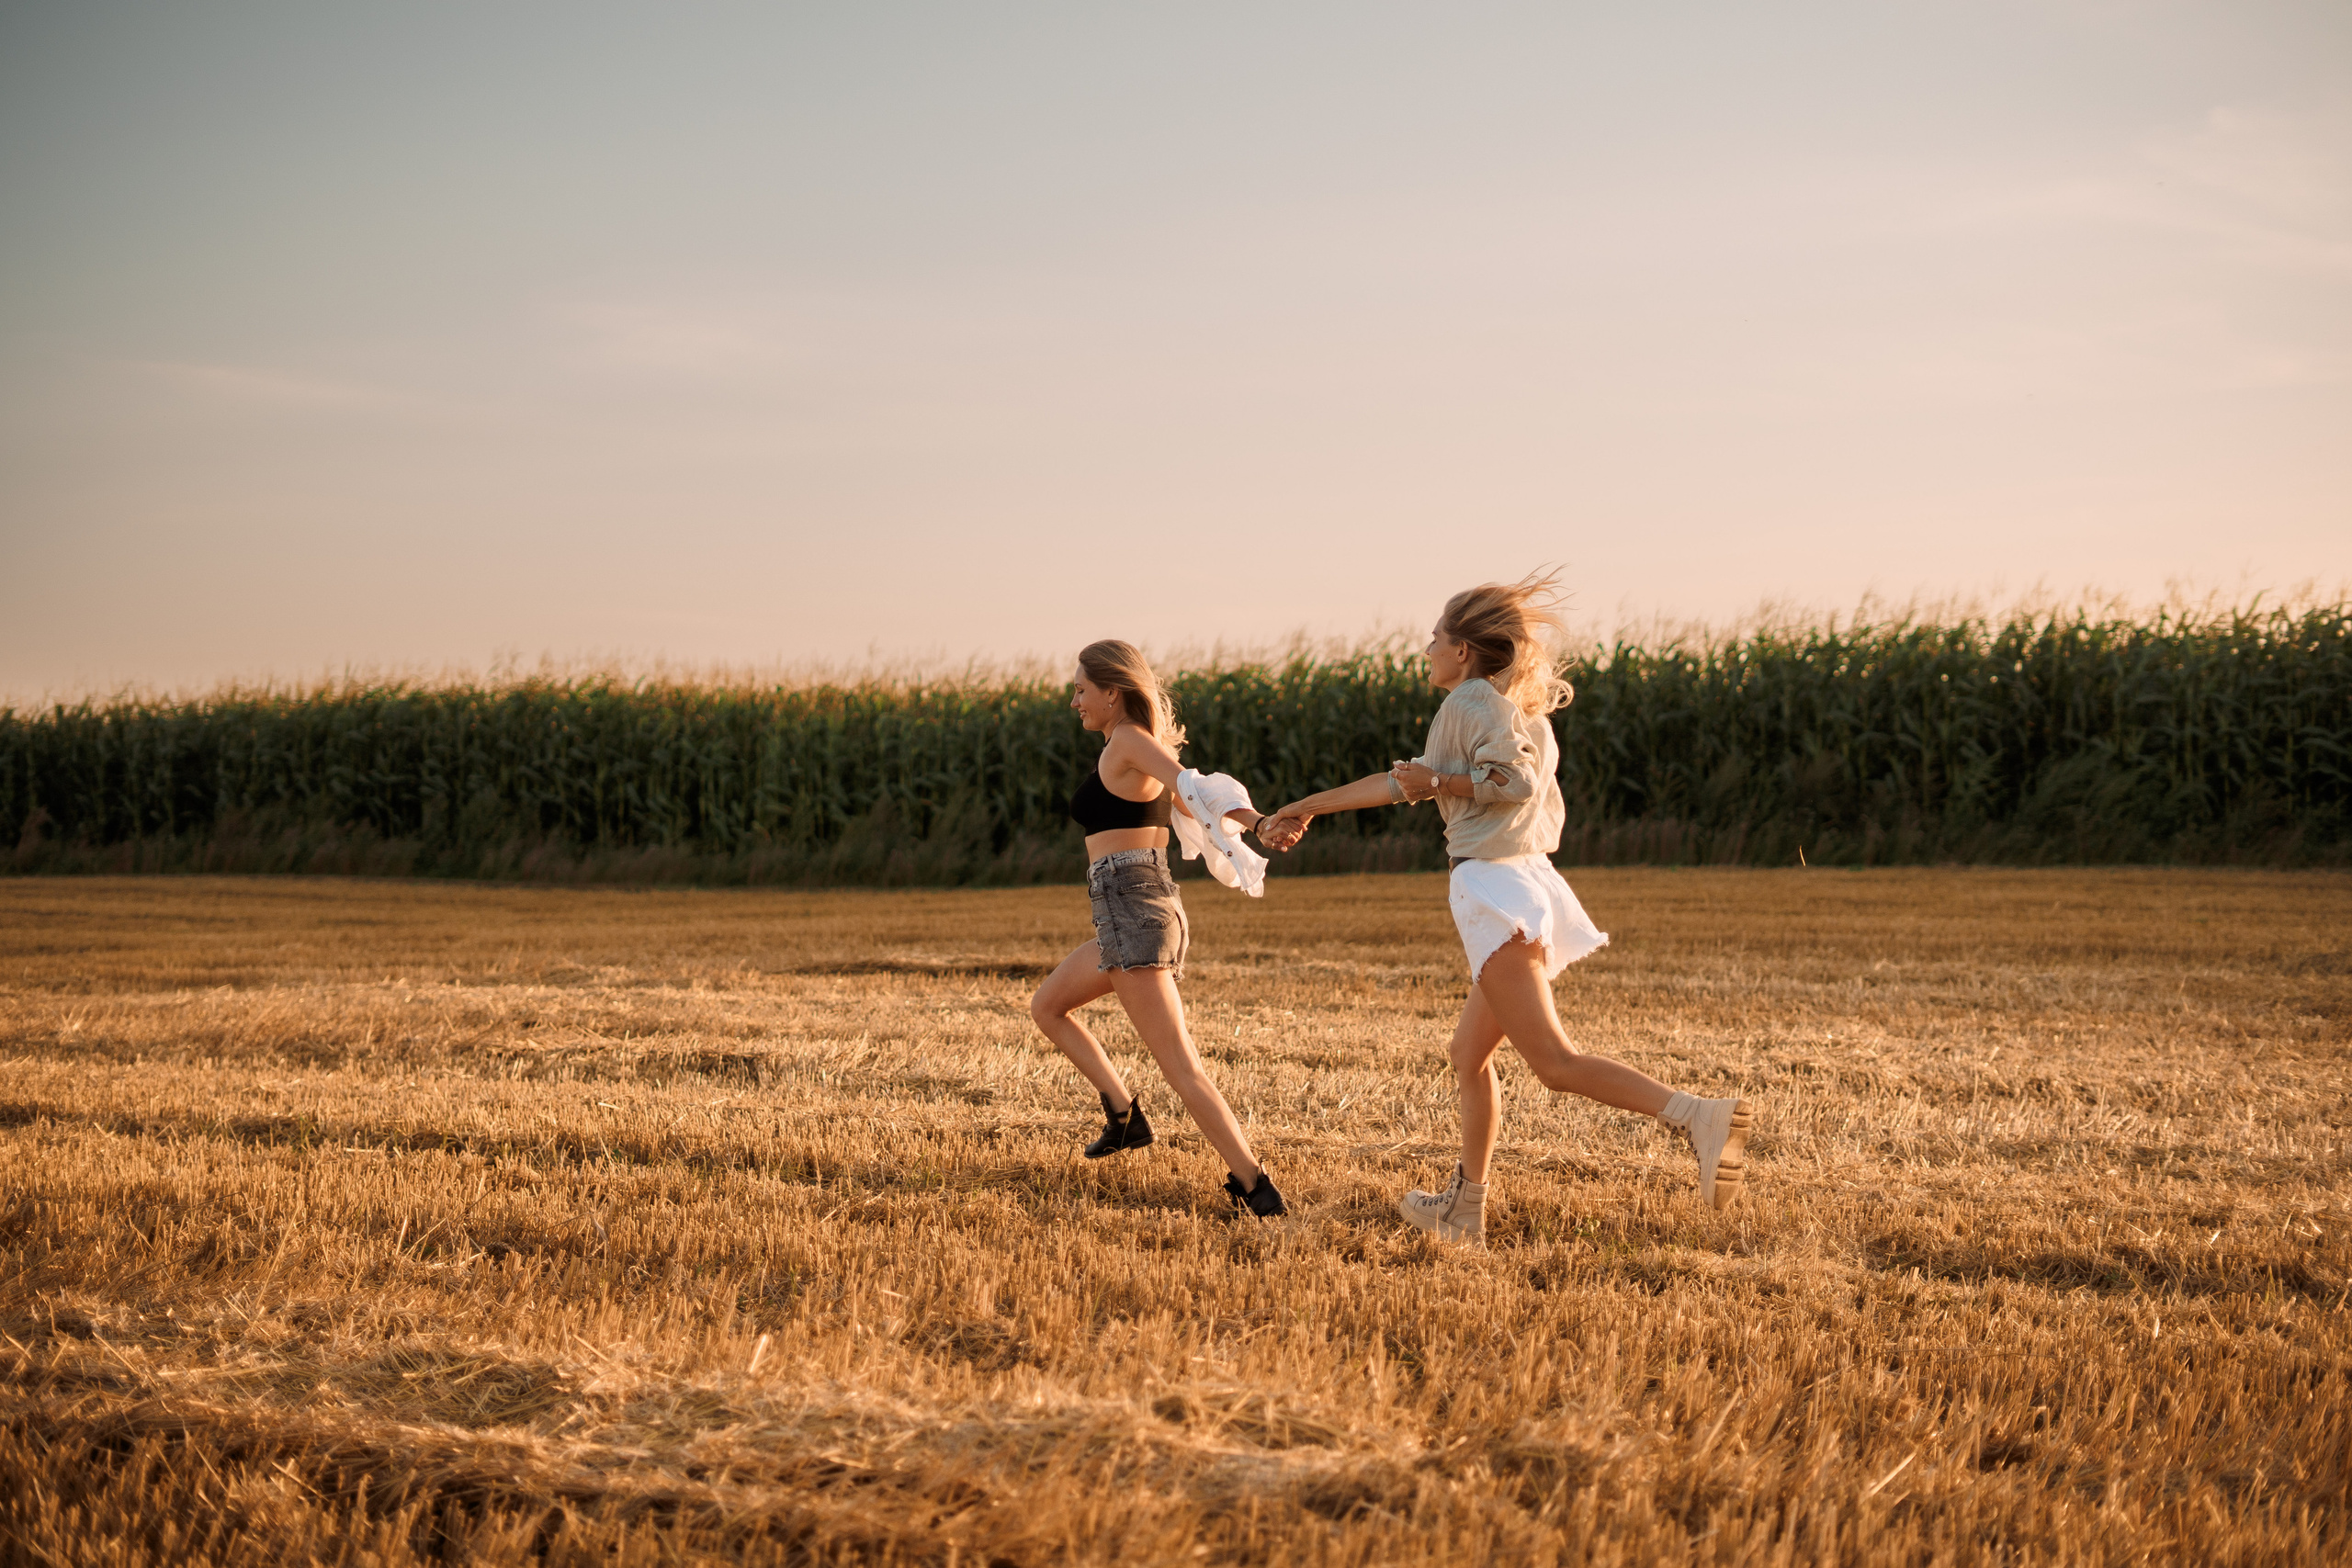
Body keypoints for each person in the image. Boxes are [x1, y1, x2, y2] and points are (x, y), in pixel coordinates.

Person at [1262, 574, 1751, 1245]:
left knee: (1554, 1063)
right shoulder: (1517, 713)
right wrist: (1305, 806)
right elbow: (1400, 782)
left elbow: (1508, 784)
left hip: (1492, 888)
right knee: (1468, 1055)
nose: (1426, 647)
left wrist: (1440, 782)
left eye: (1436, 637)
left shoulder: (1470, 700)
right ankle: (1464, 1207)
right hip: (1524, 880)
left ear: (1463, 651)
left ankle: (1696, 1116)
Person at [1028, 639, 1292, 1218]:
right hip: (1132, 908)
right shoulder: (1126, 746)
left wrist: (1258, 821)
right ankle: (1124, 1117)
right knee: (1047, 1006)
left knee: (1182, 1069)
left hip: (1134, 909)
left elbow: (1193, 787)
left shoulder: (1127, 740)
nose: (1075, 701)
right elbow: (1192, 793)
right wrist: (1252, 818)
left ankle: (1256, 1190)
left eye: (1080, 689)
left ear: (1112, 691)